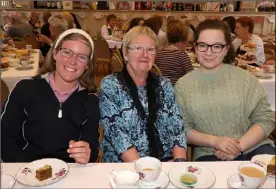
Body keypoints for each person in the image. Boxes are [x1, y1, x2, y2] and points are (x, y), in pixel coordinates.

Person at [175, 19, 275, 162]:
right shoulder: (183, 85)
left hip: (254, 146)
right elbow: (183, 129)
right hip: (210, 152)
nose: (209, 52)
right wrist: (215, 141)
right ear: (195, 47)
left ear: (226, 48)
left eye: (217, 46)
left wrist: (238, 147)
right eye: (203, 45)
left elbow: (266, 119)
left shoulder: (245, 78)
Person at [1, 29, 100, 164]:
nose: (72, 61)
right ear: (55, 54)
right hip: (25, 168)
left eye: (82, 57)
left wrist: (87, 154)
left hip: (70, 172)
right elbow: (5, 138)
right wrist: (28, 170)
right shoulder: (25, 89)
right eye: (67, 52)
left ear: (87, 65)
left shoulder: (91, 101)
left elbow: (92, 148)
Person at [99, 26, 187, 163]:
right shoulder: (111, 85)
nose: (145, 55)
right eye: (138, 48)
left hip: (165, 163)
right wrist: (146, 170)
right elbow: (117, 135)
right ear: (125, 54)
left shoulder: (164, 85)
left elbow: (177, 128)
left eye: (150, 49)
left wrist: (179, 164)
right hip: (125, 167)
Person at [155, 20, 193, 86]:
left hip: (160, 90)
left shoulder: (158, 54)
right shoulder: (182, 56)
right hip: (176, 91)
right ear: (183, 40)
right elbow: (192, 77)